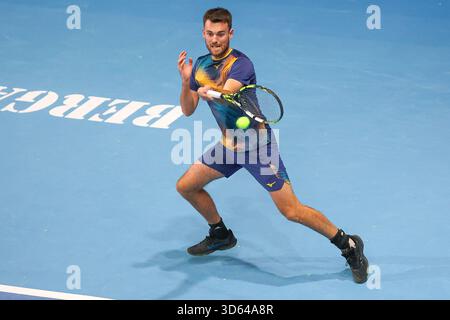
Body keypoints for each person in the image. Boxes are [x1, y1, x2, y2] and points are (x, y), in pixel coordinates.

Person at [176, 7, 369, 283]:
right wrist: (186, 83)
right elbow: (187, 110)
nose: (215, 40)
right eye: (209, 34)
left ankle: (348, 244)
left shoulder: (242, 64)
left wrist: (210, 92)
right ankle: (220, 234)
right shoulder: (200, 66)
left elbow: (227, 93)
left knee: (291, 211)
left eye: (220, 34)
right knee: (186, 186)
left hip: (256, 146)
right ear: (203, 33)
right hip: (229, 146)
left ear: (230, 33)